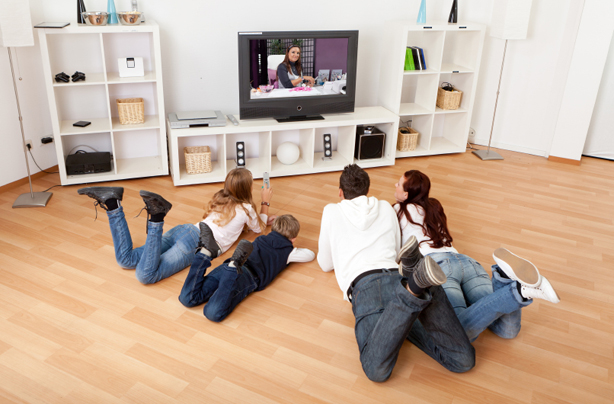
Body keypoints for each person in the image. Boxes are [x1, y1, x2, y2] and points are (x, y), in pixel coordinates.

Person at [317, 164, 475, 382]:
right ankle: (421, 284)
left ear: (340, 193)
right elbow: (396, 247)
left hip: (366, 285)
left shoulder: (331, 210)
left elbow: (325, 264)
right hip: (398, 278)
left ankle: (414, 289)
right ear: (367, 190)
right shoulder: (385, 207)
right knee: (462, 361)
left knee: (376, 370)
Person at [393, 169, 560, 342]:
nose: (395, 185)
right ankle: (511, 285)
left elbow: (395, 250)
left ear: (406, 195)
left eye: (398, 184)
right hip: (467, 262)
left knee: (458, 333)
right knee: (507, 331)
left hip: (437, 268)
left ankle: (512, 287)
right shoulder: (435, 206)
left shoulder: (397, 210)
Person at [77, 168, 272, 284]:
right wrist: (265, 202)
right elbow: (260, 229)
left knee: (126, 260)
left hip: (184, 230)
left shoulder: (221, 198)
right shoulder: (247, 209)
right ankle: (156, 217)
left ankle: (112, 203)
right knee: (146, 276)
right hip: (195, 244)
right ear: (247, 189)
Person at [179, 214, 315, 322]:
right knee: (213, 313)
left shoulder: (261, 239)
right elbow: (310, 255)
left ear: (273, 229)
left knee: (187, 298)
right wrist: (291, 249)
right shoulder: (288, 252)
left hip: (225, 267)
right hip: (247, 276)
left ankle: (205, 254)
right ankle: (233, 267)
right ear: (293, 238)